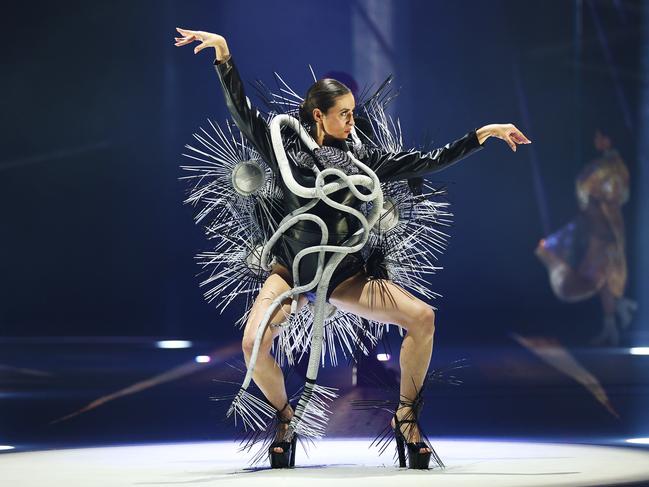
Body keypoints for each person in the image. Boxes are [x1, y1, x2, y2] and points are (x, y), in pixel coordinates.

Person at [174, 27, 531, 469]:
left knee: (422, 318)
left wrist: (484, 133)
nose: (351, 121)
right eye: (343, 114)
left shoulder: (365, 160)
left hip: (346, 275)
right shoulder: (283, 150)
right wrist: (224, 56)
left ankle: (407, 420)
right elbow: (243, 113)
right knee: (253, 342)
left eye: (352, 113)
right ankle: (286, 421)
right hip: (291, 271)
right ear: (318, 115)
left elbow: (430, 159)